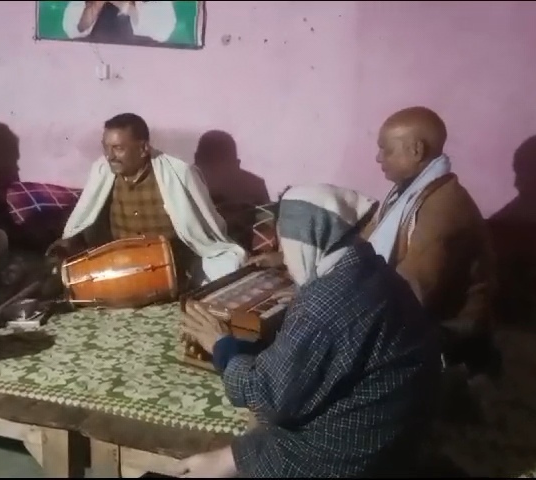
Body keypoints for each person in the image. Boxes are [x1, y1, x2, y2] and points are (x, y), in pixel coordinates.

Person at [177, 184, 442, 478]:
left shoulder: (323, 304)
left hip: (351, 455)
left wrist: (221, 345)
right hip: (397, 432)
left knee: (229, 446)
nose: (282, 252)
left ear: (305, 238)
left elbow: (269, 399)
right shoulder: (369, 269)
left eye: (284, 241)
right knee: (237, 448)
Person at [362, 106, 499, 377]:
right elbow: (364, 246)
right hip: (416, 315)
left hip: (452, 335)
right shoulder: (408, 193)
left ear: (416, 150)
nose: (378, 158)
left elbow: (413, 292)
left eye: (386, 150)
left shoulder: (442, 207)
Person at [48, 113, 245, 289]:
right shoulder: (101, 171)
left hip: (174, 264)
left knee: (228, 268)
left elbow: (205, 229)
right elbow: (86, 218)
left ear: (143, 148)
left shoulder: (179, 173)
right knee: (60, 274)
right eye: (106, 148)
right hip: (118, 262)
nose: (109, 156)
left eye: (118, 148)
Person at [62, 1, 177, 46]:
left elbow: (162, 30)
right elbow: (73, 29)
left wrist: (123, 5)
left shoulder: (161, 5)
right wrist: (96, 5)